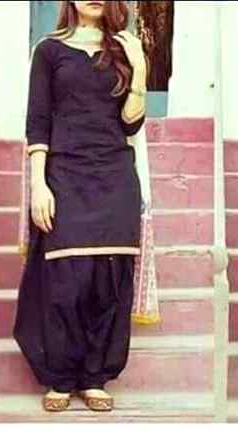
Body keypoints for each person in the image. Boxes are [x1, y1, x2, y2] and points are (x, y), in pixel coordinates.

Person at [13, 0, 154, 412]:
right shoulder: (49, 50)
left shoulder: (122, 50)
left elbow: (130, 122)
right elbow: (38, 121)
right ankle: (60, 375)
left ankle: (94, 376)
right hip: (64, 173)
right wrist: (38, 184)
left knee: (108, 278)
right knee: (65, 279)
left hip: (114, 174)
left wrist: (139, 67)